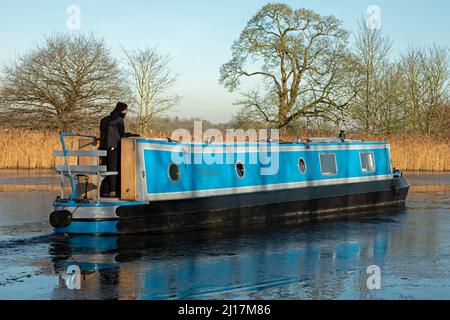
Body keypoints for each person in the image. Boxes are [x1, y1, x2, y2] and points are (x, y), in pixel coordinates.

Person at [99, 102, 129, 198]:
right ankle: (113, 191)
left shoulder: (104, 120)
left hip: (103, 147)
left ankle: (104, 191)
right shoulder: (119, 120)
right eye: (125, 110)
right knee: (114, 168)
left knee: (106, 169)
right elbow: (122, 134)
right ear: (121, 110)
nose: (126, 112)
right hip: (114, 147)